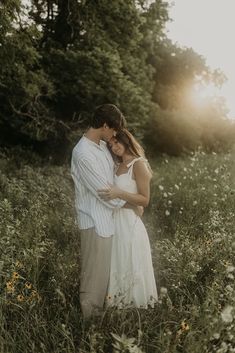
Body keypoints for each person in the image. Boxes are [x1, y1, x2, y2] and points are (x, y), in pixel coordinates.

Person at [71, 104, 127, 319]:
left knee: (103, 275)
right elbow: (105, 192)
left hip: (107, 220)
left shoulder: (102, 146)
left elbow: (112, 179)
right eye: (113, 129)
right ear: (104, 125)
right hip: (94, 221)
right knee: (93, 278)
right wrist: (129, 202)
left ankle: (99, 321)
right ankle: (89, 330)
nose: (115, 135)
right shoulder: (83, 153)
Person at [98, 129, 158, 308]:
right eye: (111, 145)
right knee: (117, 260)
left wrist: (120, 193)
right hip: (113, 220)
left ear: (126, 141)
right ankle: (117, 302)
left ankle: (135, 304)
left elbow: (145, 200)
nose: (114, 147)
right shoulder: (116, 166)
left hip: (129, 223)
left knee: (130, 259)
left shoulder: (139, 164)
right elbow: (119, 199)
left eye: (117, 143)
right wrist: (127, 203)